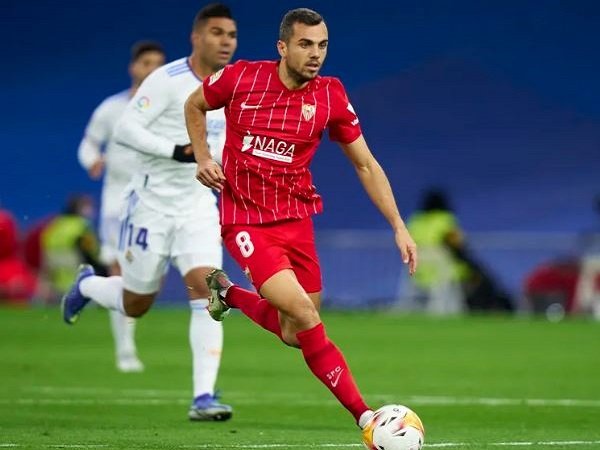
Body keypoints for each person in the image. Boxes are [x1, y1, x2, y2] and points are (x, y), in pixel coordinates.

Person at [184, 8, 418, 429]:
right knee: (308, 320)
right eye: (306, 44)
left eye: (322, 45)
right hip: (246, 221)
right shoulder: (242, 78)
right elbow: (195, 103)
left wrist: (398, 225)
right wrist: (203, 156)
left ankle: (228, 293)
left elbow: (365, 164)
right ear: (283, 47)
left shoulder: (330, 94)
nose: (316, 54)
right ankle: (366, 417)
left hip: (297, 220)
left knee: (296, 332)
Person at [62, 3, 238, 421]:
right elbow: (125, 130)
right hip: (150, 206)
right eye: (216, 33)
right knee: (137, 303)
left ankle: (203, 397)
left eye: (231, 34)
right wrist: (177, 151)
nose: (226, 41)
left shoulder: (236, 84)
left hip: (197, 206)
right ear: (196, 38)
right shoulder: (167, 80)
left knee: (210, 291)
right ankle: (88, 286)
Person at [77, 40, 166, 373]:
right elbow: (88, 142)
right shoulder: (112, 108)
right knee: (122, 270)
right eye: (146, 63)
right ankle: (126, 350)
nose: (152, 69)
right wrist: (92, 161)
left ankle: (89, 286)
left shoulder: (171, 107)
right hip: (118, 201)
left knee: (148, 280)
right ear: (134, 67)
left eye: (159, 63)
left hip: (157, 200)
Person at [408, 188, 513, 313]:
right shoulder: (444, 220)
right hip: (445, 272)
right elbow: (459, 246)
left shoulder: (415, 222)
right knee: (483, 278)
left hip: (417, 272)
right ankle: (485, 309)